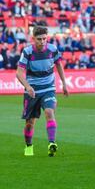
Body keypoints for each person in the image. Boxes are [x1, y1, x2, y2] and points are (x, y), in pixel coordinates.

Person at [16, 26, 69, 157]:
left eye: (45, 38)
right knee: (30, 123)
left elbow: (59, 65)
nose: (42, 41)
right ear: (33, 38)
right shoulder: (27, 52)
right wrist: (28, 87)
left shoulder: (53, 49)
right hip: (32, 91)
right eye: (39, 39)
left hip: (49, 88)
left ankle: (52, 143)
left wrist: (64, 83)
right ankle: (28, 145)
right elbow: (19, 73)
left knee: (49, 112)